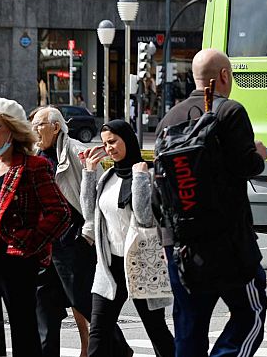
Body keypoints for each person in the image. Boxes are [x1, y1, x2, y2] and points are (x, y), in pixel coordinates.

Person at [156, 48, 267, 357]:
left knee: (189, 327)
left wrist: (167, 242)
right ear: (224, 76)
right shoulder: (230, 111)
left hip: (182, 247)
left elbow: (160, 189)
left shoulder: (169, 119)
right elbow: (246, 166)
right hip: (229, 243)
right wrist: (259, 155)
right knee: (250, 312)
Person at [0, 98, 72, 357]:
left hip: (16, 263)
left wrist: (29, 241)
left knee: (23, 330)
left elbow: (60, 213)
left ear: (13, 131)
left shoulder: (33, 167)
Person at [31, 106, 124, 357]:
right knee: (44, 303)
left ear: (55, 127)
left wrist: (88, 234)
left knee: (81, 298)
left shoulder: (76, 151)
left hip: (71, 238)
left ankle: (118, 348)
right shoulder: (36, 154)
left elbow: (98, 194)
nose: (34, 130)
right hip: (45, 241)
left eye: (39, 125)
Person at [80, 120, 174, 357]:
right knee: (98, 331)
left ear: (128, 140)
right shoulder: (108, 176)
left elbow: (144, 217)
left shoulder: (147, 173)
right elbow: (89, 212)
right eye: (105, 144)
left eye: (113, 141)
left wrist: (140, 178)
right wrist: (89, 173)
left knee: (156, 330)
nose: (108, 148)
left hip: (142, 265)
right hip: (110, 266)